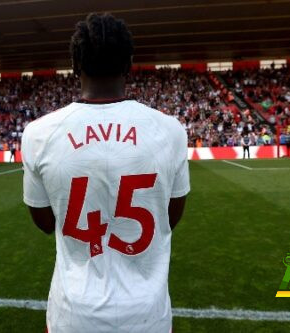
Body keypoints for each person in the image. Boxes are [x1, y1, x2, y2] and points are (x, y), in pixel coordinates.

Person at [22, 13, 189, 333]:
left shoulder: (39, 133)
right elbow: (170, 216)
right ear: (129, 65)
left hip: (73, 314)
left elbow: (45, 222)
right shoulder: (170, 130)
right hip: (147, 315)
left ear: (75, 67)